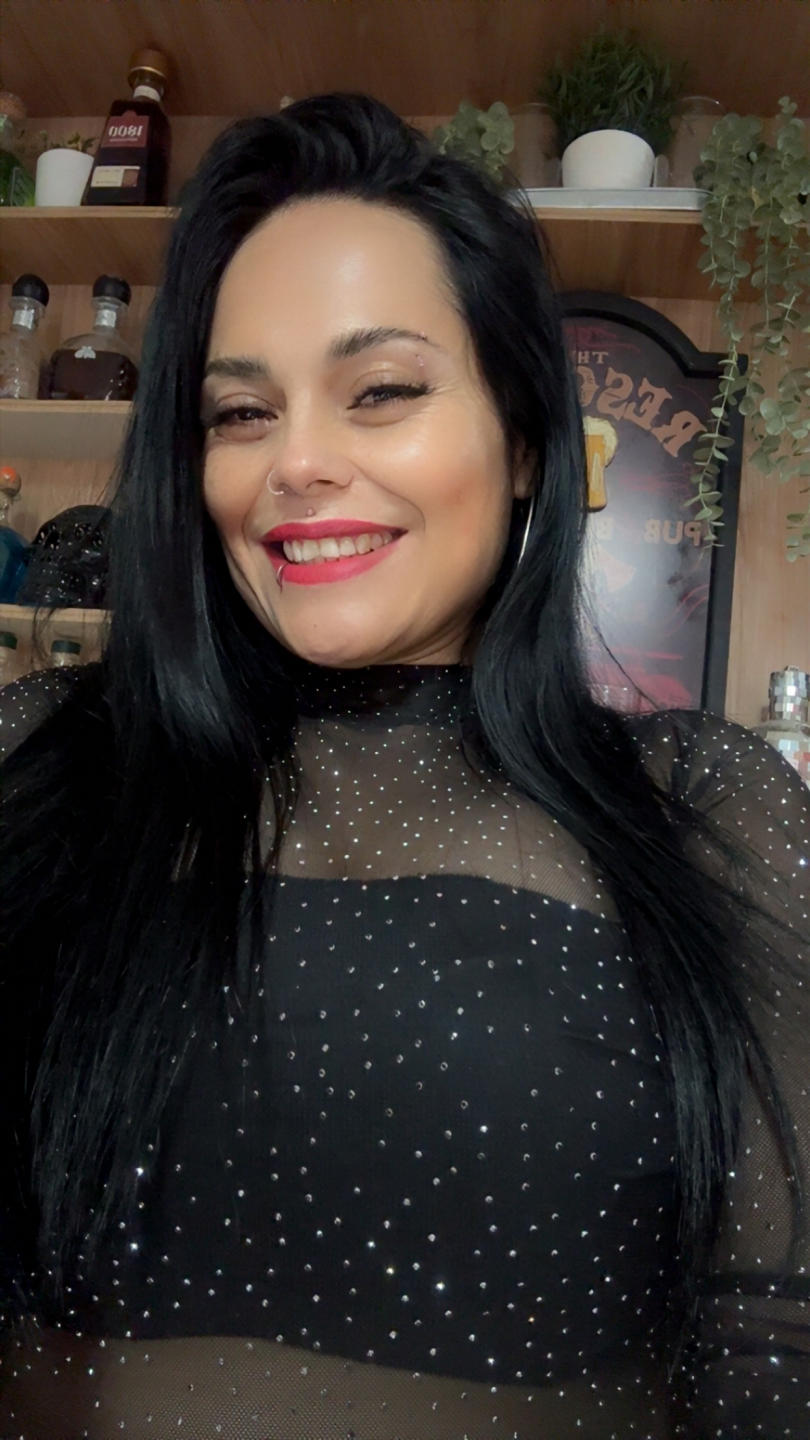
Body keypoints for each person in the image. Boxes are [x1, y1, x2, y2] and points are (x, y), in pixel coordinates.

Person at [0, 93, 806, 1440]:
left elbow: (773, 1353)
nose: (297, 463)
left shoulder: (704, 811)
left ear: (526, 439)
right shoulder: (40, 760)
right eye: (240, 412)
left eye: (381, 392)